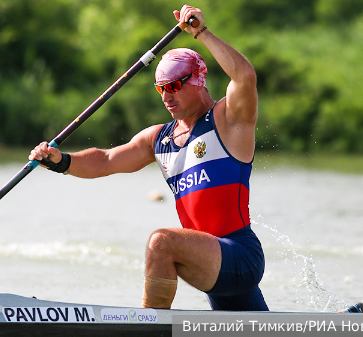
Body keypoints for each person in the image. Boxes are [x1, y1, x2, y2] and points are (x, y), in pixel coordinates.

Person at [29, 5, 268, 311]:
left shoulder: (227, 120)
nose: (167, 96)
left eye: (174, 86)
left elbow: (244, 76)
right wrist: (60, 160)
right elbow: (105, 160)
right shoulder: (159, 139)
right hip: (207, 258)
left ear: (198, 79)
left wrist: (201, 33)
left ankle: (147, 326)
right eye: (160, 89)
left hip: (239, 255)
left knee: (162, 242)